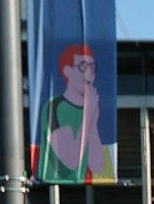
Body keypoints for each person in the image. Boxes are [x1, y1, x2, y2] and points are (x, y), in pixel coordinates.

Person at [39, 44, 111, 182]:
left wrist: (92, 122)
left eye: (92, 67)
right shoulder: (54, 107)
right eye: (83, 66)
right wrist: (88, 118)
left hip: (81, 185)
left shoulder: (89, 108)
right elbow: (71, 160)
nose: (89, 72)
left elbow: (98, 166)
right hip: (54, 186)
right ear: (67, 71)